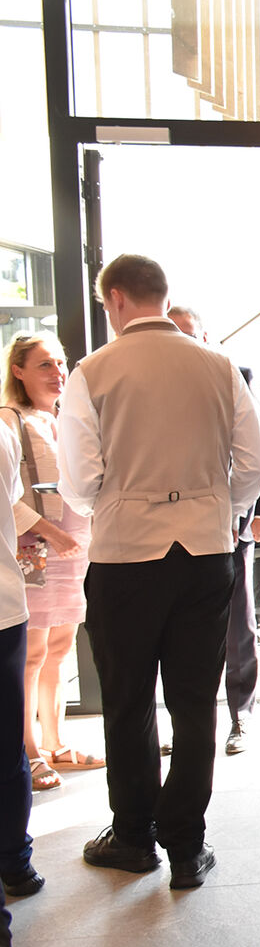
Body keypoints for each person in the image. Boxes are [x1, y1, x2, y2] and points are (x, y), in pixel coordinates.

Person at [58, 253, 260, 890]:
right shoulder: (218, 365)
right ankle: (185, 844)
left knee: (127, 701)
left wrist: (114, 506)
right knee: (193, 702)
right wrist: (222, 512)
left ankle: (133, 838)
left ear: (115, 299)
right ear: (161, 295)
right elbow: (255, 459)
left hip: (126, 555)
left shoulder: (92, 372)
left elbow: (79, 477)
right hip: (204, 553)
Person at [167, 305, 260, 755]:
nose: (182, 343)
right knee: (180, 633)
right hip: (173, 531)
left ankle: (241, 715)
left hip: (229, 525)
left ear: (207, 335)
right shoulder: (158, 384)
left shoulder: (234, 373)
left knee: (238, 625)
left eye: (189, 334)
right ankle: (189, 725)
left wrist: (253, 515)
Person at [1, 334, 96, 799]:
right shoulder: (9, 419)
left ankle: (56, 742)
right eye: (44, 365)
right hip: (35, 547)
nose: (57, 372)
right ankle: (28, 750)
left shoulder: (60, 419)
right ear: (18, 370)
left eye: (59, 363)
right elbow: (7, 495)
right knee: (32, 654)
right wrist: (54, 534)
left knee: (59, 648)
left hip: (72, 548)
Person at [1, 415, 40, 923]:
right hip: (4, 608)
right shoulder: (5, 433)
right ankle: (15, 862)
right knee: (7, 745)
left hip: (5, 608)